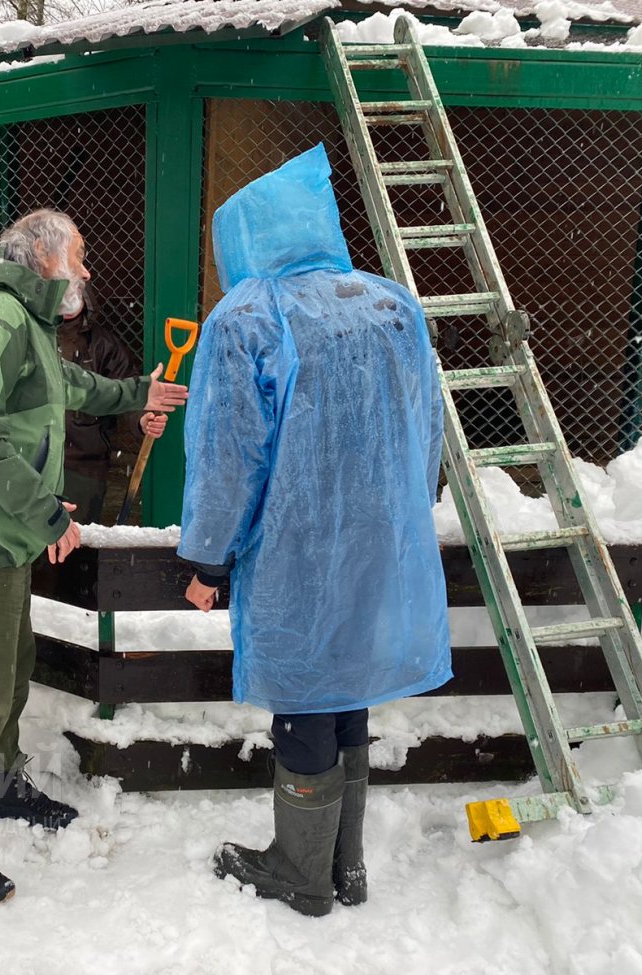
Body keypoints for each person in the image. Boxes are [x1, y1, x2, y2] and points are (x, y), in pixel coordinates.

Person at [178, 145, 452, 917]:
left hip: (298, 544)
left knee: (303, 693)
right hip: (382, 538)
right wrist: (406, 508)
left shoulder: (250, 315)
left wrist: (206, 554)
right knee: (348, 688)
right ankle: (348, 865)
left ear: (246, 238)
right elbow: (426, 427)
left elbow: (231, 455)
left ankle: (302, 874)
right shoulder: (393, 302)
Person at [0, 209, 188, 905]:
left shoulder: (27, 321)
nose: (89, 270)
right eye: (82, 255)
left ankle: (4, 787)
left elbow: (66, 388)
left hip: (1, 522)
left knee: (14, 666)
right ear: (44, 258)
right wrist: (40, 511)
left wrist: (138, 396)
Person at [57, 286, 164, 523]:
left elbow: (125, 386)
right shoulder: (32, 335)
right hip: (34, 459)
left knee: (78, 542)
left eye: (74, 291)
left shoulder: (102, 344)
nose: (68, 298)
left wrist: (141, 418)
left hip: (82, 463)